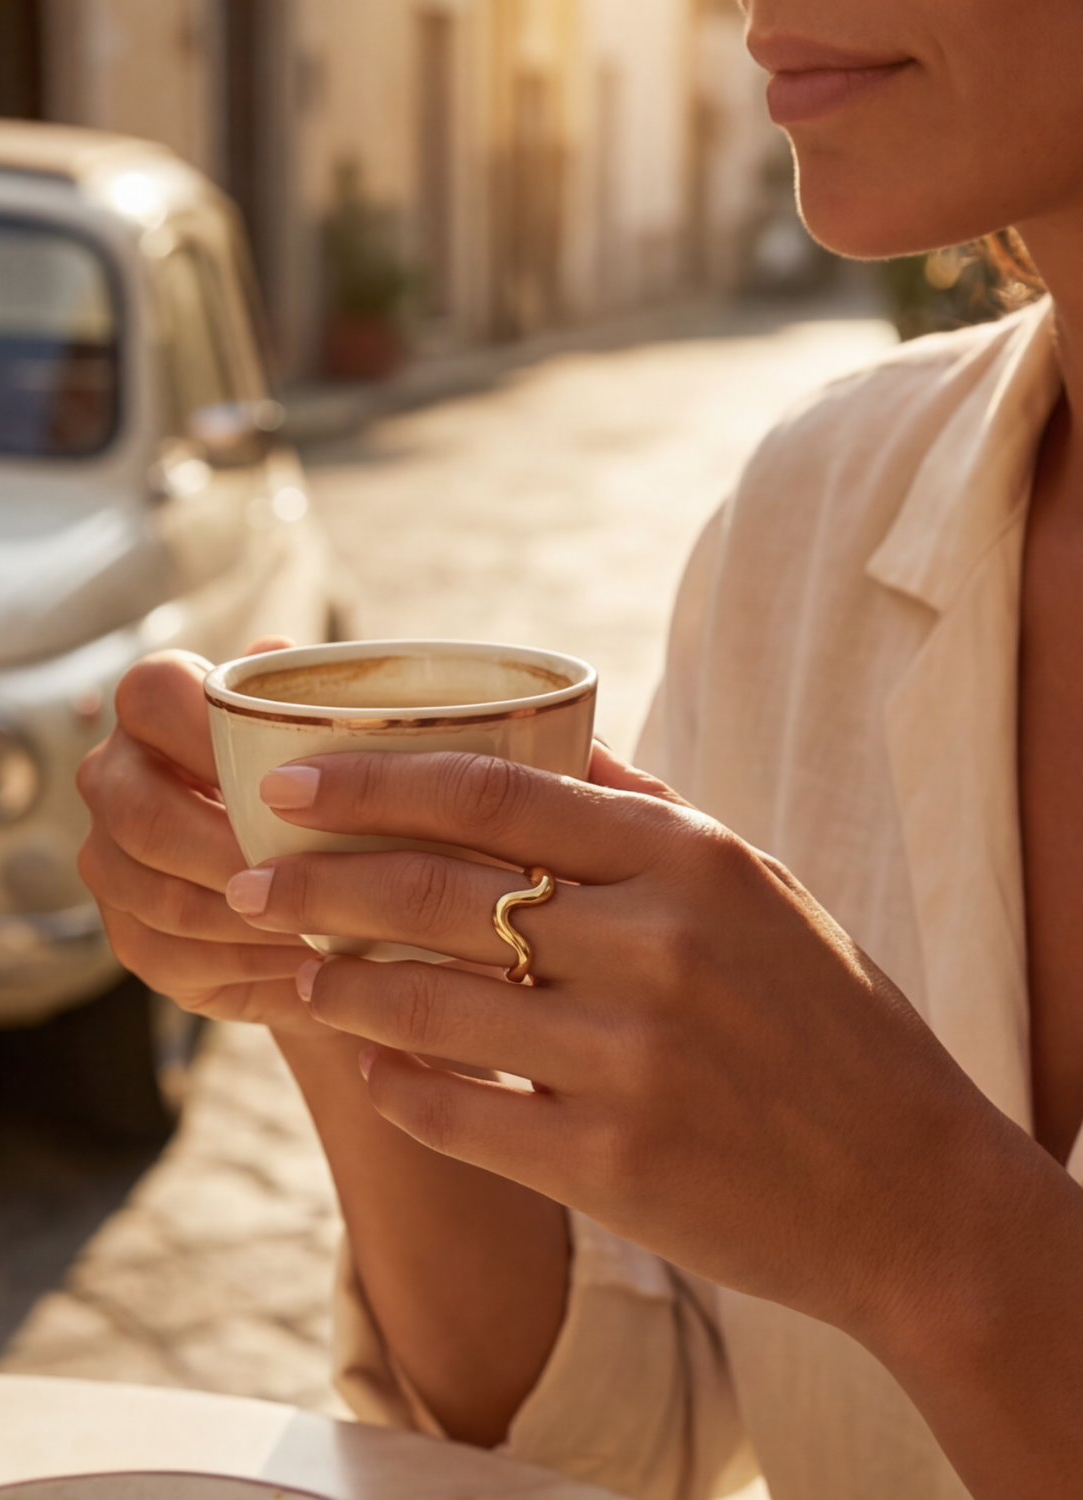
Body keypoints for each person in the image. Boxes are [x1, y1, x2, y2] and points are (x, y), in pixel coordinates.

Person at [76, 2, 1083, 1496]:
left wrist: (926, 1226)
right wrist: (331, 960)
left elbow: (892, 1251)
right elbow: (627, 1442)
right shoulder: (816, 512)